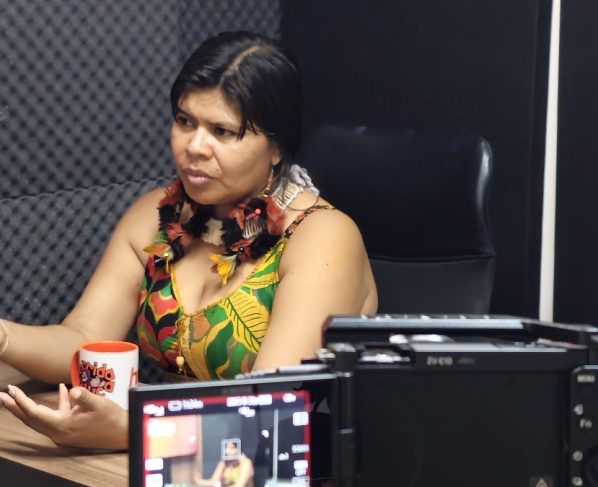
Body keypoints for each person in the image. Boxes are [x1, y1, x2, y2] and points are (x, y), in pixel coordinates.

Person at [0, 31, 377, 449]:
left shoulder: (323, 238)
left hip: (279, 464)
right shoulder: (154, 216)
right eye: (185, 121)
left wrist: (132, 431)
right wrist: (4, 336)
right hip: (167, 460)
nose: (194, 146)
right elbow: (84, 339)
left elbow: (270, 411)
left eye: (223, 131)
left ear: (276, 148)